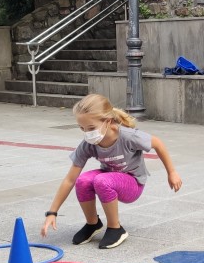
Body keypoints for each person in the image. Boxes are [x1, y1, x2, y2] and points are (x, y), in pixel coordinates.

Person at [42, 93, 182, 248]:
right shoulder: (89, 143)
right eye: (82, 128)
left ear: (107, 121)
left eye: (91, 128)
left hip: (132, 183)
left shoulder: (127, 136)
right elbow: (70, 179)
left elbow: (157, 143)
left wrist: (172, 172)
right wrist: (52, 212)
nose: (87, 133)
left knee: (101, 180)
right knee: (83, 181)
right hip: (110, 178)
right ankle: (92, 224)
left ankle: (115, 228)